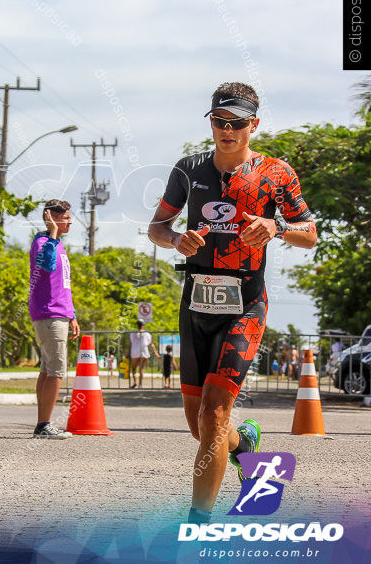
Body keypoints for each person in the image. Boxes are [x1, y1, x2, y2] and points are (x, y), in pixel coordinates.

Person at [148, 82, 317, 525]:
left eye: (237, 124)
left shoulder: (276, 174)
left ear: (253, 125)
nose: (227, 130)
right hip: (196, 303)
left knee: (212, 412)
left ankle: (198, 523)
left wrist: (275, 226)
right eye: (219, 122)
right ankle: (246, 445)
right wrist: (174, 238)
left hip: (245, 304)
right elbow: (157, 226)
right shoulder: (188, 170)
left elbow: (310, 234)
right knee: (202, 427)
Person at [28, 199, 79, 440]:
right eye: (66, 217)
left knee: (48, 370)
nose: (70, 221)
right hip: (49, 313)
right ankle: (44, 424)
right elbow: (46, 266)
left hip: (60, 313)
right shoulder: (43, 243)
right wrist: (54, 234)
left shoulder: (57, 245)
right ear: (52, 217)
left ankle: (42, 422)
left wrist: (73, 315)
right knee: (57, 371)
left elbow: (63, 284)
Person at [129, 320, 159, 389]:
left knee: (133, 369)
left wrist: (127, 354)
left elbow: (130, 345)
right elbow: (152, 344)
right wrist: (156, 354)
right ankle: (140, 384)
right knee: (141, 368)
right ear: (143, 325)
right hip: (144, 352)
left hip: (135, 353)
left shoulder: (132, 334)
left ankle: (135, 382)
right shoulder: (147, 334)